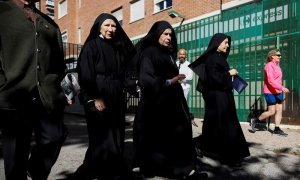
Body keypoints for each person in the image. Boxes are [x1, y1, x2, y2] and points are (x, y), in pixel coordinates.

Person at [0, 0, 70, 180]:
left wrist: (62, 91)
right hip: (13, 96)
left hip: (46, 96)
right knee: (15, 154)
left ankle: (35, 169)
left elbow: (59, 65)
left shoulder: (50, 23)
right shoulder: (2, 10)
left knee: (55, 136)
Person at [67, 13, 136, 180]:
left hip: (116, 96)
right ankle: (101, 170)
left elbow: (125, 72)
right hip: (98, 95)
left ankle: (115, 169)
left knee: (117, 133)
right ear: (99, 27)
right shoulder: (91, 46)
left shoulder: (118, 48)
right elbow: (85, 75)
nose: (111, 29)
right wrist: (95, 97)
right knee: (100, 136)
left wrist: (132, 85)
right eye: (107, 26)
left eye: (114, 26)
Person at [133, 20, 205, 179]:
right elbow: (146, 78)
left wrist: (173, 81)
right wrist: (168, 82)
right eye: (165, 34)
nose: (169, 37)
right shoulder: (149, 51)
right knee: (160, 137)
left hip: (173, 101)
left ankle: (186, 168)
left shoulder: (167, 54)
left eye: (170, 34)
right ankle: (168, 168)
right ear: (157, 34)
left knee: (179, 134)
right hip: (157, 103)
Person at [189, 33, 250, 166]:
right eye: (225, 43)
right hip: (218, 97)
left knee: (215, 126)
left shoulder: (218, 57)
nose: (228, 45)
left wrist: (230, 75)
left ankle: (200, 146)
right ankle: (229, 157)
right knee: (225, 125)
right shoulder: (212, 58)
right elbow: (214, 79)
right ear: (217, 43)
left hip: (221, 96)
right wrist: (229, 73)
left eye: (228, 43)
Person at [251, 49, 289, 136]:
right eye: (278, 55)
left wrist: (280, 88)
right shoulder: (268, 66)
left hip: (278, 91)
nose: (280, 57)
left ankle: (277, 129)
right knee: (272, 111)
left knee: (279, 110)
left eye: (280, 55)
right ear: (272, 56)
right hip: (269, 91)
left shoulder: (277, 66)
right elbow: (270, 81)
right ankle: (255, 120)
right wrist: (282, 87)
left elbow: (277, 80)